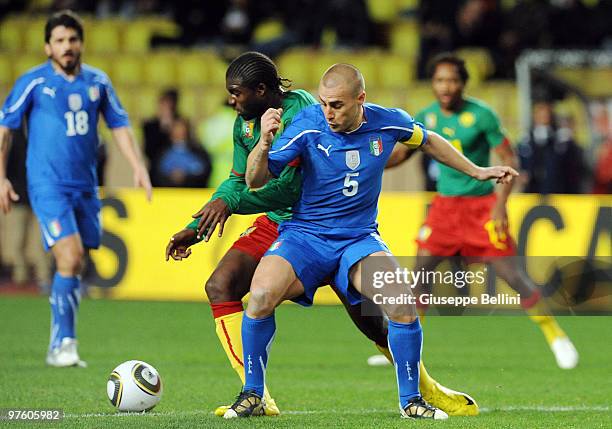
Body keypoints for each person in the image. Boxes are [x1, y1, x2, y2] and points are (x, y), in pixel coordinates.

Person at [165, 52, 478, 418]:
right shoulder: (269, 125)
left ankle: (416, 393)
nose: (327, 112)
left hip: (350, 236)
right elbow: (248, 179)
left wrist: (478, 171)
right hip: (299, 230)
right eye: (325, 104)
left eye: (238, 93)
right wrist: (256, 155)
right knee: (242, 289)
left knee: (385, 311)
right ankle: (254, 394)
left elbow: (425, 140)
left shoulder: (322, 116)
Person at [384, 53, 579, 369]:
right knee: (420, 275)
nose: (445, 87)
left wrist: (500, 206)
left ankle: (555, 335)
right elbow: (403, 154)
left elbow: (509, 159)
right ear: (433, 84)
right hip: (445, 208)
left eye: (452, 80)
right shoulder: (426, 116)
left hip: (481, 208)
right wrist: (372, 162)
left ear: (462, 84)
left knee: (512, 276)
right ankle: (406, 350)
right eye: (439, 80)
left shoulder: (482, 115)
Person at [0, 10, 152, 367]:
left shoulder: (97, 82)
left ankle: (63, 339)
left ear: (81, 43)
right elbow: (5, 129)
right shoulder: (33, 83)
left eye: (72, 40)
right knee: (69, 257)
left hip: (85, 187)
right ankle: (62, 344)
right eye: (59, 41)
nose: (66, 47)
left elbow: (119, 125)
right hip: (47, 184)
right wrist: (2, 177)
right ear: (47, 47)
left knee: (78, 260)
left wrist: (137, 166)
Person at [157, 117, 212, 188]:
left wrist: (186, 177)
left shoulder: (198, 151)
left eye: (181, 128)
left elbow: (205, 170)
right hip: (169, 193)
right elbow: (157, 173)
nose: (178, 132)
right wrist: (171, 177)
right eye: (176, 128)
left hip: (192, 192)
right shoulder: (162, 152)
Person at [143, 89, 180, 186]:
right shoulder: (150, 125)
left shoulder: (180, 123)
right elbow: (149, 151)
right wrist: (164, 128)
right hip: (157, 173)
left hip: (177, 174)